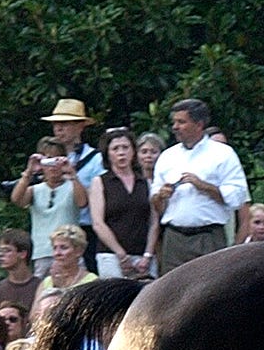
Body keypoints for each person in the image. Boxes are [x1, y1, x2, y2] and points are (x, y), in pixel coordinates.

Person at [150, 98, 250, 273]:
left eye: (181, 122)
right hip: (174, 239)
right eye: (174, 122)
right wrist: (160, 196)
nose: (175, 127)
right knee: (172, 293)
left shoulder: (222, 154)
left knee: (211, 291)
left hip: (208, 237)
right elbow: (157, 207)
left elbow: (237, 196)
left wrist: (204, 186)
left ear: (199, 124)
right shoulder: (167, 157)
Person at [89, 126, 158, 280]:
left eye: (125, 148)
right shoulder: (100, 182)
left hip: (142, 255)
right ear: (108, 153)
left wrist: (147, 255)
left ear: (133, 151)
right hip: (111, 255)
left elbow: (153, 221)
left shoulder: (145, 182)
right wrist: (120, 254)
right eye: (115, 149)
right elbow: (98, 223)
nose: (121, 152)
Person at [10, 137, 86, 274]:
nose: (53, 166)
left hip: (71, 253)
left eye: (57, 159)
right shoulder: (35, 190)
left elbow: (82, 202)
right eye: (49, 160)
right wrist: (29, 172)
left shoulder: (73, 187)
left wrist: (72, 173)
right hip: (42, 253)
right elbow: (17, 199)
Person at [40, 98, 105, 256]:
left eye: (66, 124)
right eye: (56, 124)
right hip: (53, 228)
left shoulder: (96, 159)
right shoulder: (46, 158)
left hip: (84, 228)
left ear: (80, 126)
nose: (59, 129)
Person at [30, 224, 98, 322]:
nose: (57, 253)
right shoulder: (47, 282)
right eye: (54, 248)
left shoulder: (92, 282)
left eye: (63, 248)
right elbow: (33, 317)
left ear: (79, 251)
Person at [0, 229, 38, 315]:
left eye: (7, 250)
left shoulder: (39, 287)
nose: (1, 254)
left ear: (23, 254)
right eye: (0, 251)